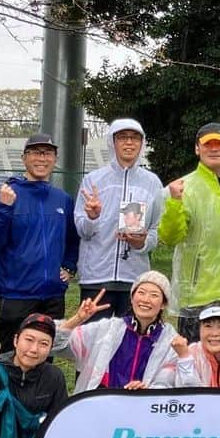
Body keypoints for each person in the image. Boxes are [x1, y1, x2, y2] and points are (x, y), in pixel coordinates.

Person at [158, 123, 220, 339]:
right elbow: (169, 237)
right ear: (197, 149)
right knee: (194, 361)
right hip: (197, 294)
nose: (214, 149)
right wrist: (175, 203)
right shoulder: (183, 188)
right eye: (208, 144)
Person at [0, 133, 79, 353]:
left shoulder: (62, 199)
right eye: (35, 152)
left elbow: (73, 239)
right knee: (11, 357)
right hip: (16, 294)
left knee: (44, 356)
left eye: (47, 153)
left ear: (55, 158)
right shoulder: (9, 194)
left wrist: (69, 266)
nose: (41, 158)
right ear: (24, 158)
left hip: (52, 296)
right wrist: (4, 209)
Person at [74, 118, 164, 320]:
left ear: (142, 143)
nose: (129, 143)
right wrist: (92, 217)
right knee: (94, 343)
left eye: (135, 138)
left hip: (134, 279)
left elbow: (157, 230)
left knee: (130, 343)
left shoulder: (152, 183)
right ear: (112, 142)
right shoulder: (93, 180)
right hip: (96, 278)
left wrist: (141, 243)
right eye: (122, 137)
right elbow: (82, 230)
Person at [52, 271, 180, 392]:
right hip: (101, 406)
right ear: (132, 298)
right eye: (141, 292)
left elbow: (167, 385)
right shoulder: (107, 330)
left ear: (163, 304)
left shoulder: (170, 341)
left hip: (143, 409)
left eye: (154, 295)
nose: (146, 300)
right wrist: (77, 319)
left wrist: (147, 390)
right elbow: (55, 345)